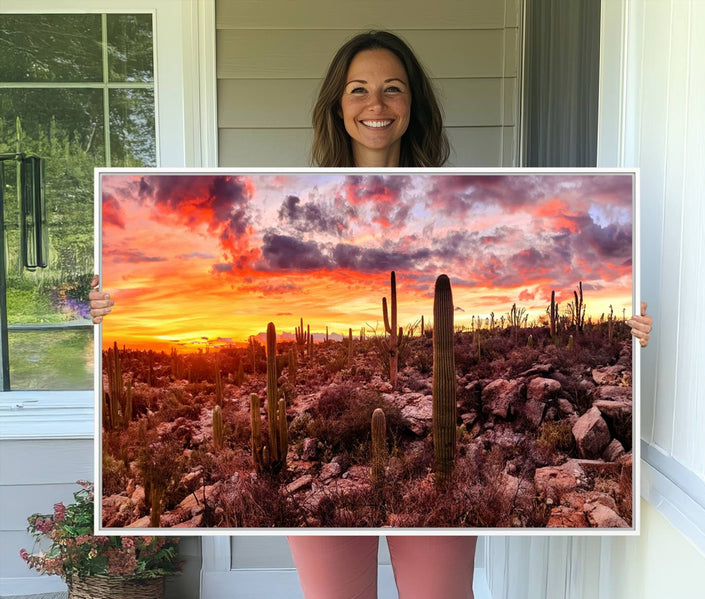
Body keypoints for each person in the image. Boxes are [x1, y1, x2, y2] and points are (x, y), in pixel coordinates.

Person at [90, 30, 653, 599]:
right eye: (358, 89)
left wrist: (629, 332)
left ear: (413, 105)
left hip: (439, 472)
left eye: (393, 89)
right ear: (338, 104)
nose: (376, 104)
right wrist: (106, 310)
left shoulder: (461, 194)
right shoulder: (301, 193)